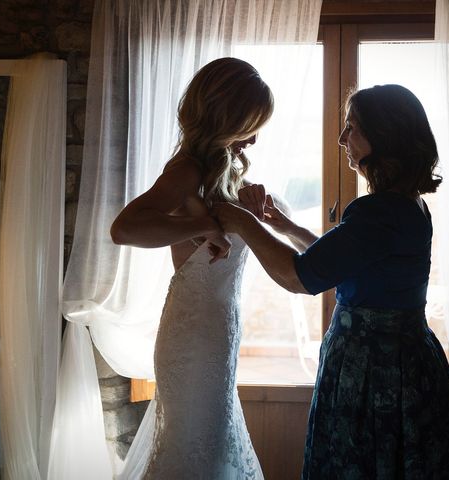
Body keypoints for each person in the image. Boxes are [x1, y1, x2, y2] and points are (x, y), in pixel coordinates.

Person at [213, 84, 449, 479]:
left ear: (383, 136)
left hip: (374, 369)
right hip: (409, 358)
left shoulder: (378, 210)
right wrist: (287, 228)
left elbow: (299, 277)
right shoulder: (407, 203)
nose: (341, 140)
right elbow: (350, 259)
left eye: (351, 127)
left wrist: (240, 220)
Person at [110, 57, 273, 479]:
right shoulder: (187, 169)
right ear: (226, 119)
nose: (253, 139)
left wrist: (254, 214)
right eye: (248, 125)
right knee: (198, 447)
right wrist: (203, 223)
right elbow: (125, 228)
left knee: (215, 445)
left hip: (219, 333)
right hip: (194, 337)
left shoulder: (219, 174)